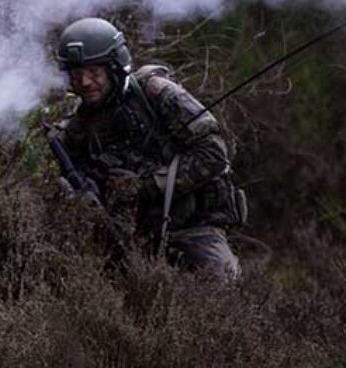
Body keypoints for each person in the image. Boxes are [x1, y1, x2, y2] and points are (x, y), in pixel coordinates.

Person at [50, 17, 244, 279]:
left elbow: (213, 154)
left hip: (189, 228)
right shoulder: (76, 129)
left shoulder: (156, 93)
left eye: (94, 72)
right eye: (76, 74)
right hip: (126, 235)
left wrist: (147, 186)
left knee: (220, 284)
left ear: (114, 67)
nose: (85, 82)